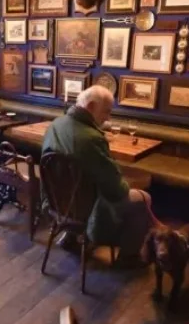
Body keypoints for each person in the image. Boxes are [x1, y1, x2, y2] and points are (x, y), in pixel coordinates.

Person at [42, 85, 153, 264]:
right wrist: (128, 185)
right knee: (144, 199)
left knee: (78, 187)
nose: (108, 118)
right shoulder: (92, 138)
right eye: (106, 112)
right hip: (88, 209)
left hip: (58, 202)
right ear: (92, 106)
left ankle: (70, 236)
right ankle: (129, 257)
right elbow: (116, 190)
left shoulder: (56, 125)